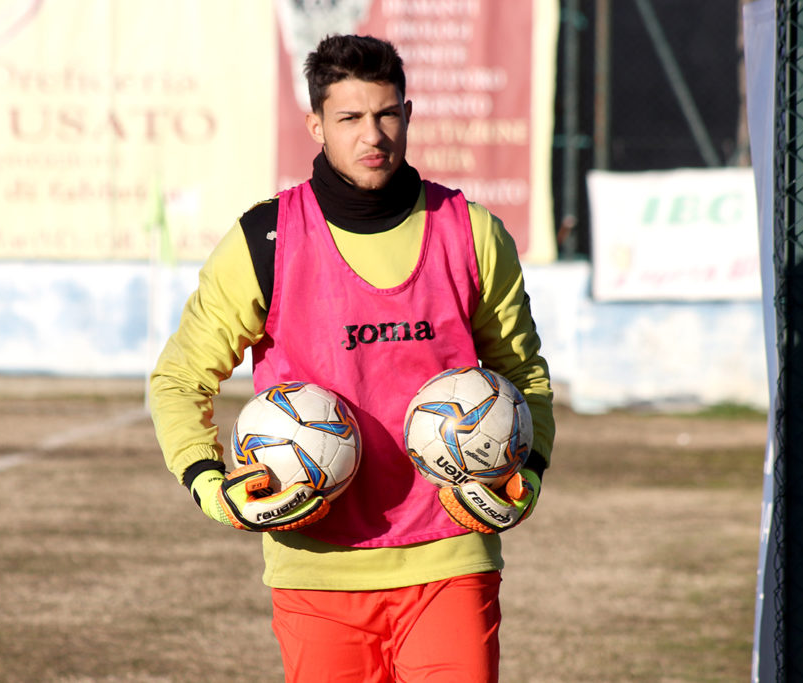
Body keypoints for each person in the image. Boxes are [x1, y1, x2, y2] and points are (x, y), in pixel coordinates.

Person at [150, 34, 555, 683]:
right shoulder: (267, 240)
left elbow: (523, 371)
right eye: (350, 118)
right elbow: (179, 378)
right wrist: (207, 483)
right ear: (316, 124)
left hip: (448, 556)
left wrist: (528, 469)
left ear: (408, 114)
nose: (374, 134)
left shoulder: (469, 231)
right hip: (316, 565)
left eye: (387, 113)